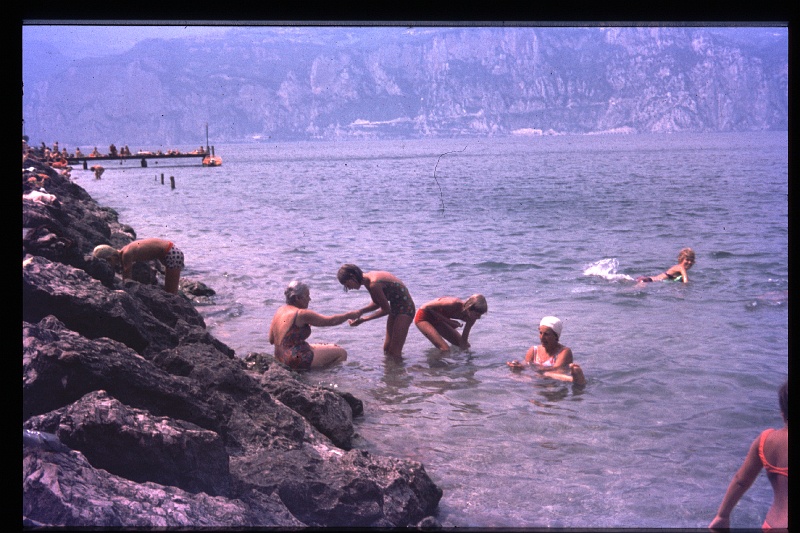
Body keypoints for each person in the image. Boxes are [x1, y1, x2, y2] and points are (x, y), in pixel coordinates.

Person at [709, 380, 788, 530]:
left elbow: (740, 480)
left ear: (783, 414)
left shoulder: (765, 440)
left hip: (771, 525)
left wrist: (722, 515)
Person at [268, 280, 362, 370]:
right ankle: (326, 376)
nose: (310, 299)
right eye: (307, 296)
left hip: (279, 357)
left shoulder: (280, 310)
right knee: (341, 352)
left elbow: (271, 340)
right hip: (294, 359)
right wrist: (348, 315)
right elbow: (330, 321)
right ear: (297, 298)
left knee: (330, 346)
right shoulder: (301, 313)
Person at [337, 264, 415, 358]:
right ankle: (392, 372)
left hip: (406, 309)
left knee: (395, 352)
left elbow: (386, 310)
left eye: (347, 284)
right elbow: (377, 303)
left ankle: (400, 371)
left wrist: (363, 319)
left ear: (353, 276)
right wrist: (360, 311)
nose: (349, 288)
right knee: (386, 349)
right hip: (396, 308)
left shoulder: (374, 284)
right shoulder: (368, 280)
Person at [507, 316, 586, 386]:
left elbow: (556, 369)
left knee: (549, 374)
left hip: (554, 383)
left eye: (546, 334)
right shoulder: (533, 350)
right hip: (536, 380)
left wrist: (527, 368)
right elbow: (525, 364)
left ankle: (577, 380)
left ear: (556, 336)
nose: (542, 337)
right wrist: (517, 366)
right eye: (540, 333)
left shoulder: (564, 352)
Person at [92, 238, 184, 294]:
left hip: (172, 253)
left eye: (107, 263)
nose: (109, 266)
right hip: (170, 251)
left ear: (110, 258)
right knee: (169, 290)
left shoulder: (126, 254)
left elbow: (127, 279)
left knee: (171, 292)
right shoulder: (125, 250)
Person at [414, 294, 487, 353]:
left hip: (438, 319)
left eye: (481, 315)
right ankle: (430, 369)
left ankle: (448, 369)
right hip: (424, 317)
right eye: (477, 314)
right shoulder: (453, 303)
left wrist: (466, 362)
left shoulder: (472, 318)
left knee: (466, 346)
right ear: (469, 307)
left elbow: (463, 340)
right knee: (445, 349)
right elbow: (427, 307)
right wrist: (449, 322)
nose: (478, 317)